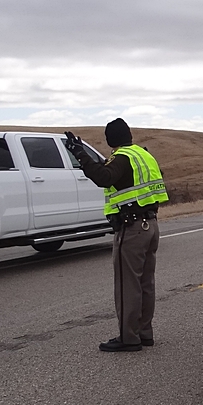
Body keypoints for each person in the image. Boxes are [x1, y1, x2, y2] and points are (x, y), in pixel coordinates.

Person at [66, 118, 168, 352]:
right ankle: (144, 333)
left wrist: (80, 154)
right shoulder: (143, 155)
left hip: (131, 228)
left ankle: (128, 338)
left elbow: (104, 177)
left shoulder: (122, 157)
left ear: (111, 139)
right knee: (145, 283)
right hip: (151, 224)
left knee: (127, 284)